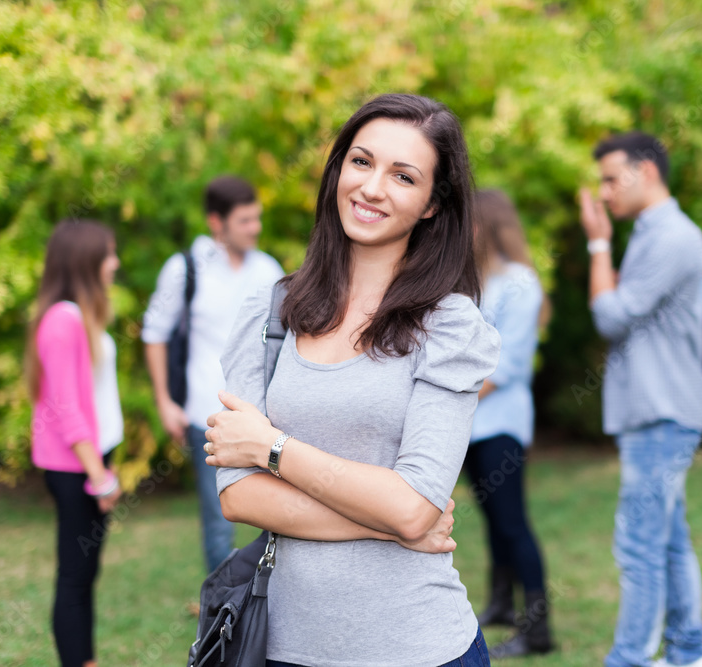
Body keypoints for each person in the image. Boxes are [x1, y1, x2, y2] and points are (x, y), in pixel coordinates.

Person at [203, 93, 501, 667]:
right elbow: (240, 496)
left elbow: (415, 505)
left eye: (403, 176)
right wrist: (390, 525)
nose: (371, 187)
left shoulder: (450, 326)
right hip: (284, 647)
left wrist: (272, 447)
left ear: (433, 204)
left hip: (420, 647)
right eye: (361, 162)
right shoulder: (270, 315)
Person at [579, 132, 702, 667]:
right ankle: (687, 655)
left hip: (661, 411)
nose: (605, 192)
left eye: (612, 178)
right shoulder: (653, 233)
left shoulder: (671, 237)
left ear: (648, 172)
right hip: (657, 409)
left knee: (638, 545)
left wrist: (596, 244)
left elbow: (611, 315)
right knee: (668, 540)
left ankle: (630, 660)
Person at [142, 176, 283, 572]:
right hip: (206, 414)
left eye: (257, 218)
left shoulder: (267, 269)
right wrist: (165, 402)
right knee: (219, 520)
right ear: (216, 223)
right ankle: (222, 617)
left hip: (266, 416)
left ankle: (264, 602)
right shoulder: (185, 269)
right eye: (244, 221)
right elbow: (154, 334)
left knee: (277, 515)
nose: (255, 228)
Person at [27, 220, 124, 667]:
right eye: (108, 255)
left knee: (83, 575)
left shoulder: (76, 316)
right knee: (74, 578)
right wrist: (99, 477)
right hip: (77, 467)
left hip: (89, 462)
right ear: (84, 262)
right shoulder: (63, 320)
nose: (115, 264)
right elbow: (65, 409)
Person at [465, 189, 555, 658]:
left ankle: (537, 630)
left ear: (487, 226)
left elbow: (508, 366)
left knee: (512, 522)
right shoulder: (472, 283)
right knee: (492, 520)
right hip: (471, 425)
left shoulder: (520, 282)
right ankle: (500, 604)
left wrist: (449, 401)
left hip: (500, 423)